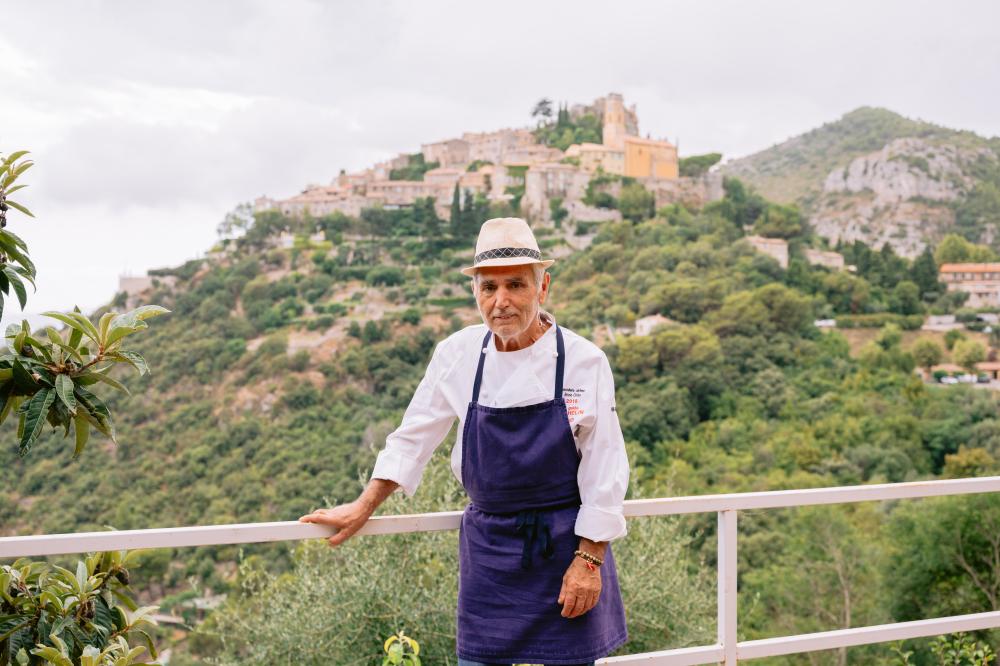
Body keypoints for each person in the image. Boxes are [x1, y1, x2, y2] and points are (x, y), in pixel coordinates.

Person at [300, 217, 629, 665]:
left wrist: (589, 560)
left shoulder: (584, 362)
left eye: (516, 285)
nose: (502, 302)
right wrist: (364, 506)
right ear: (474, 291)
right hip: (489, 554)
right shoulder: (456, 355)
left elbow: (604, 467)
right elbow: (412, 437)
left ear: (543, 287)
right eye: (488, 288)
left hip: (565, 550)